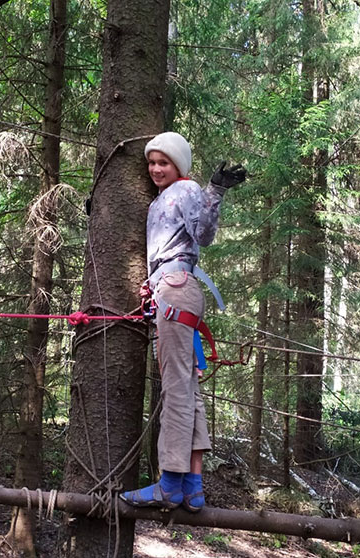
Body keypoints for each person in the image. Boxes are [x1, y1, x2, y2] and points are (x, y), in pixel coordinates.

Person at [120, 131, 245, 512]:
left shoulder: (186, 189)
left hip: (175, 289)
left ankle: (169, 483)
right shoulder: (162, 198)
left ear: (179, 166)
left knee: (175, 387)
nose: (156, 169)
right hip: (173, 288)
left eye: (164, 162)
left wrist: (215, 191)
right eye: (152, 162)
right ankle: (193, 485)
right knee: (187, 386)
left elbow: (203, 234)